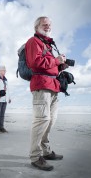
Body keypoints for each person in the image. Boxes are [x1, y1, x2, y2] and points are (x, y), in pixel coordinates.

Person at [25, 16, 67, 171]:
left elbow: (49, 65)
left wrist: (61, 66)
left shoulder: (47, 44)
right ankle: (35, 157)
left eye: (50, 24)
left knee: (50, 121)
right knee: (42, 120)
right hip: (41, 85)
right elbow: (34, 63)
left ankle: (46, 151)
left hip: (54, 86)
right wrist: (56, 61)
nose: (48, 26)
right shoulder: (33, 41)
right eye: (44, 24)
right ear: (37, 26)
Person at [0, 65, 11, 133]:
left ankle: (1, 127)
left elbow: (8, 89)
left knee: (2, 114)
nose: (5, 71)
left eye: (5, 70)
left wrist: (9, 98)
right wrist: (0, 91)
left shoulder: (6, 79)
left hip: (5, 99)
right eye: (3, 70)